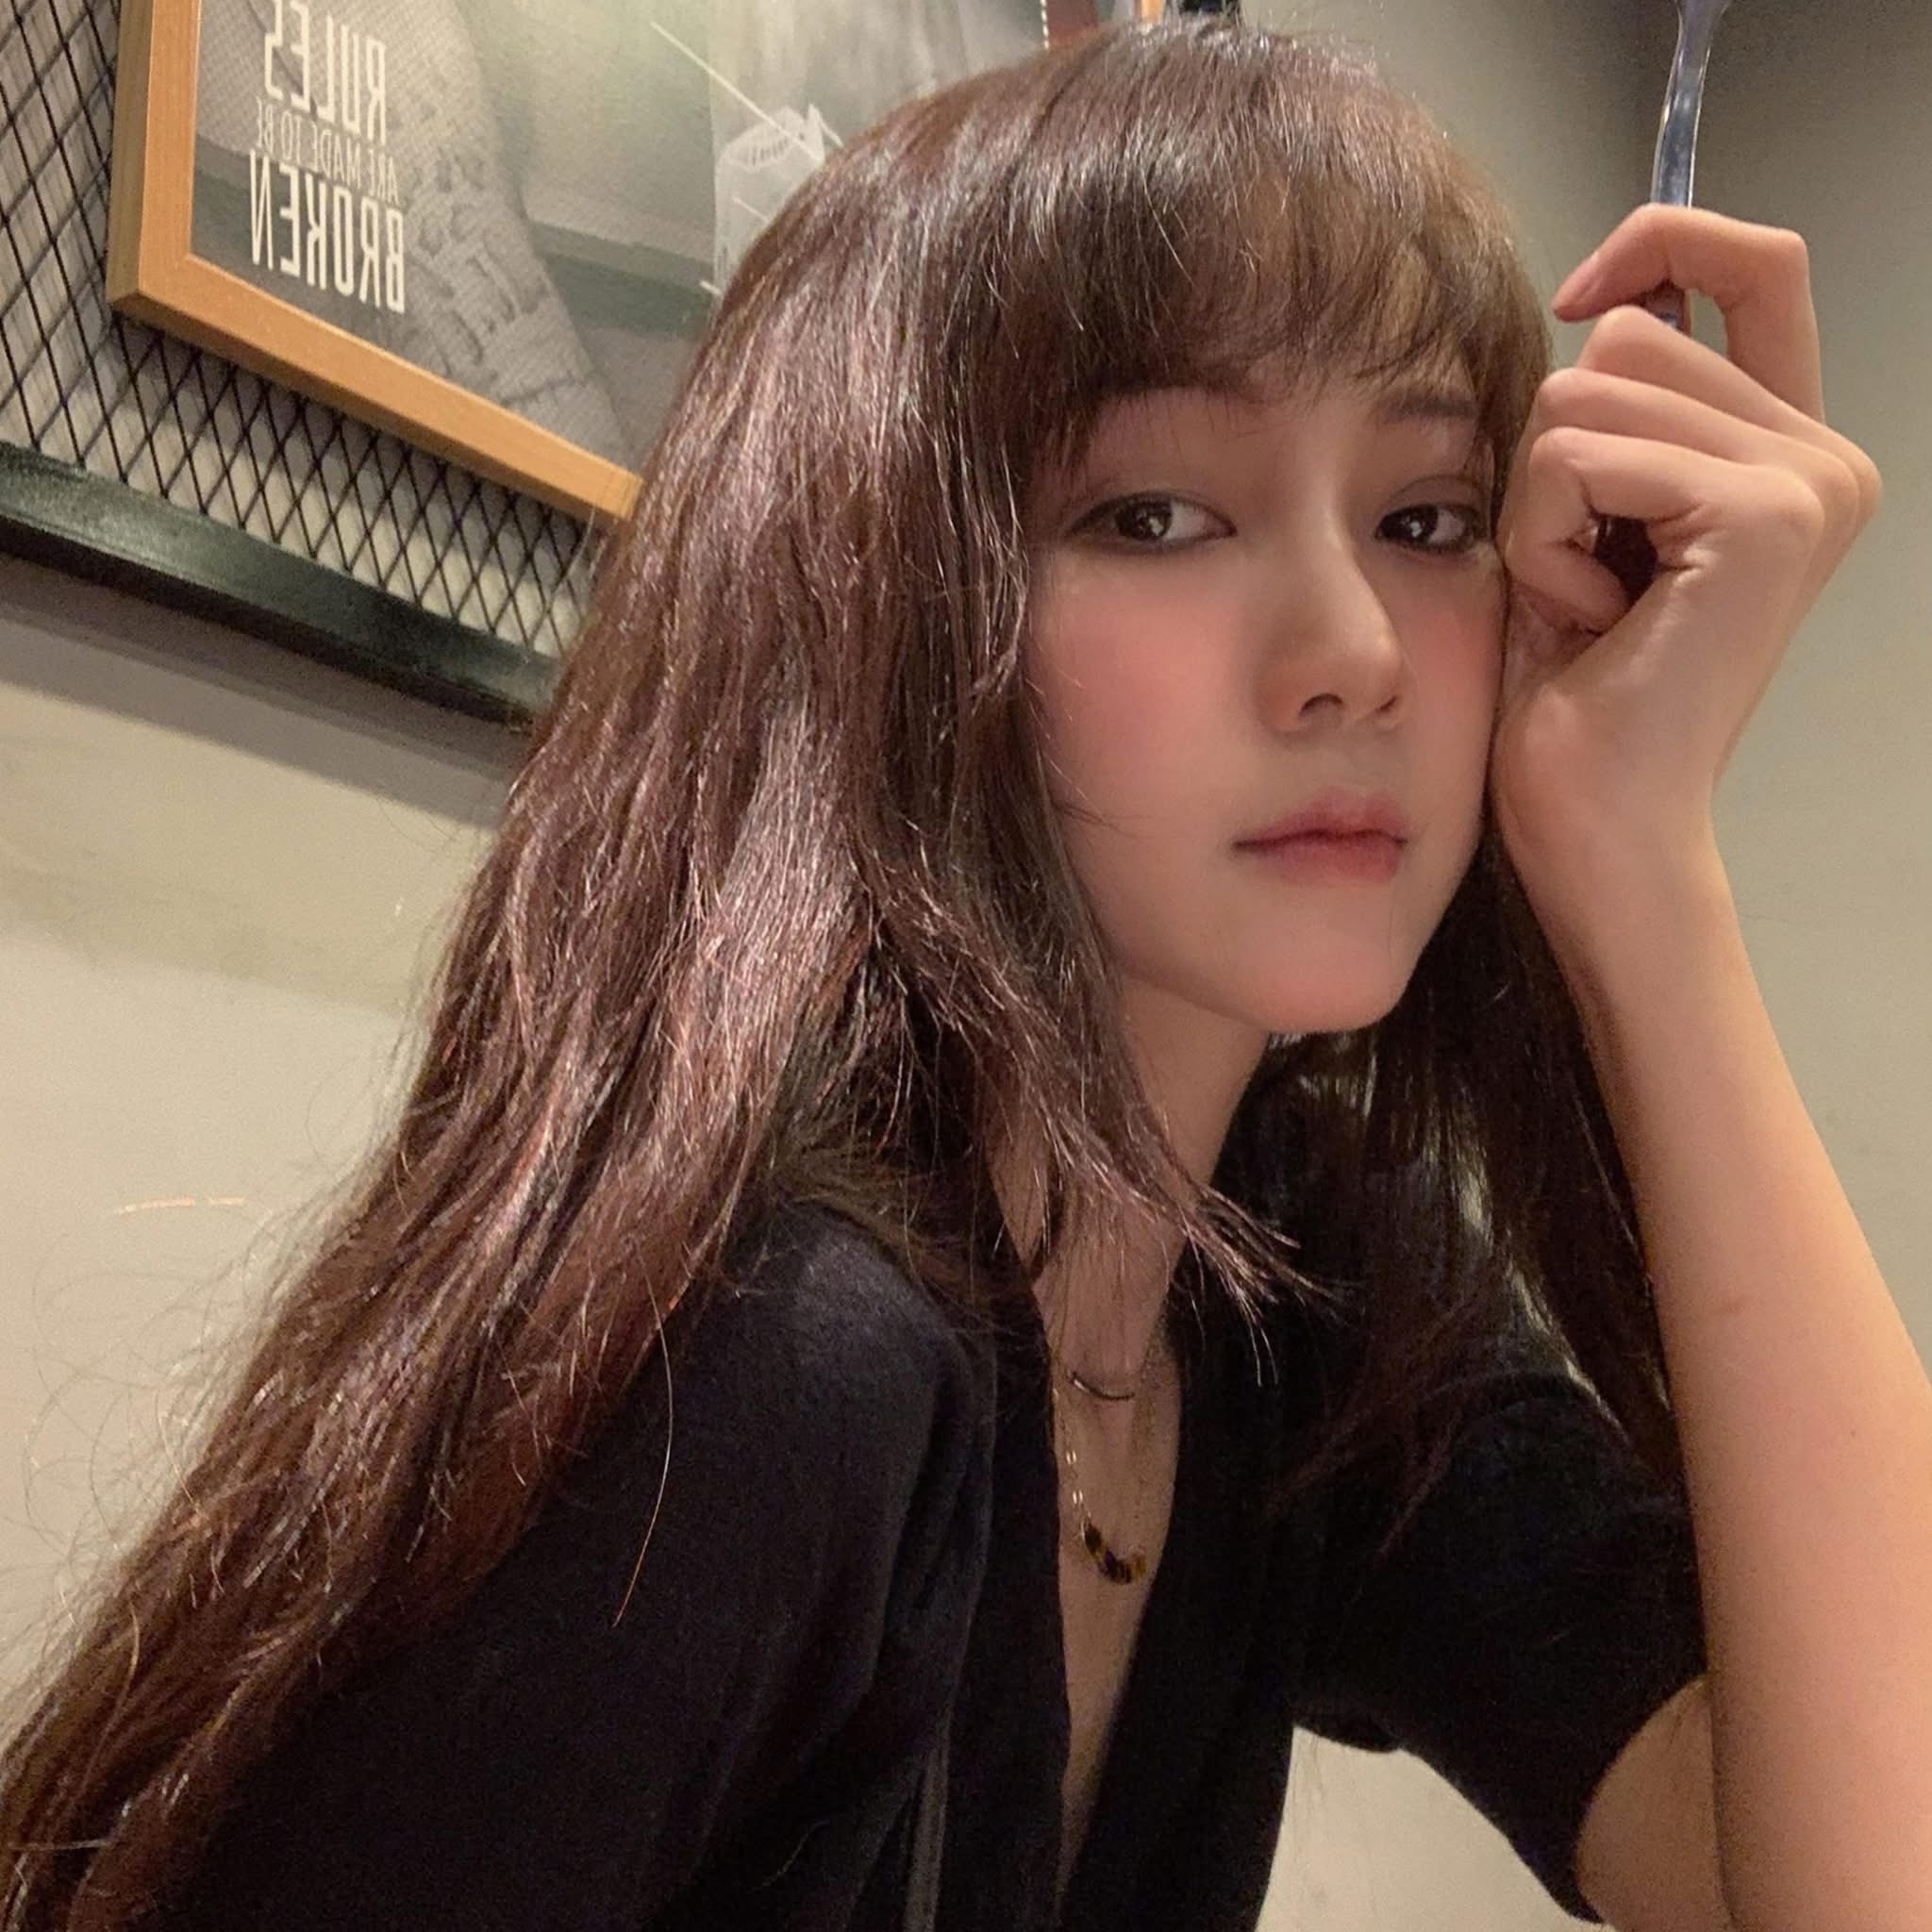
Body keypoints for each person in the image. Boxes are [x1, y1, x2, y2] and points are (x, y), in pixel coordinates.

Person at [4, 15, 1916, 1932]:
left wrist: (1642, 868)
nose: (1354, 651)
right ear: (882, 594)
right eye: (1154, 515)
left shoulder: (1295, 1285)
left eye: (1424, 520)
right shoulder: (761, 1357)